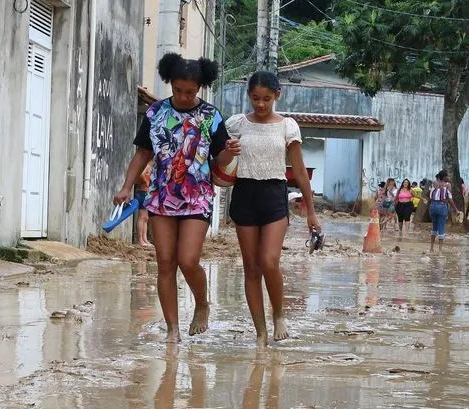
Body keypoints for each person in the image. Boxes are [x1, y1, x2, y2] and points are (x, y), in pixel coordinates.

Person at [115, 52, 237, 343]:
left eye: (190, 92)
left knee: (188, 259)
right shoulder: (155, 113)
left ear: (200, 88)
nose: (183, 97)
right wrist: (126, 186)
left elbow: (219, 158)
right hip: (161, 197)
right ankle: (172, 329)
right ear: (170, 84)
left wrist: (229, 152)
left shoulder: (211, 115)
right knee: (165, 261)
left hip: (198, 197)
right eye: (178, 91)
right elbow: (143, 152)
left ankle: (202, 304)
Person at [226, 71, 319, 346]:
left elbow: (300, 172)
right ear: (248, 95)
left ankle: (279, 314)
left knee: (269, 261)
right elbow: (219, 161)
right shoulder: (237, 124)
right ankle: (260, 331)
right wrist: (228, 150)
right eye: (255, 98)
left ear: (277, 95)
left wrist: (311, 212)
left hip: (274, 194)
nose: (261, 104)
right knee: (251, 268)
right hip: (244, 193)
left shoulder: (288, 126)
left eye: (267, 98)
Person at [429, 169, 458, 254]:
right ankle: (440, 251)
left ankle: (431, 248)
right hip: (442, 206)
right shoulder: (447, 185)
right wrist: (455, 209)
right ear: (444, 177)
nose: (449, 177)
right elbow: (449, 199)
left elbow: (430, 196)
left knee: (434, 228)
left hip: (432, 206)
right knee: (441, 228)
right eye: (447, 176)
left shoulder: (434, 183)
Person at [133, 162, 153, 248]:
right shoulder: (146, 165)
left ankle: (144, 239)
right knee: (142, 217)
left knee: (146, 218)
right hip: (142, 191)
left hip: (147, 192)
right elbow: (140, 175)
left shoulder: (151, 165)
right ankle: (140, 240)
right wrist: (146, 181)